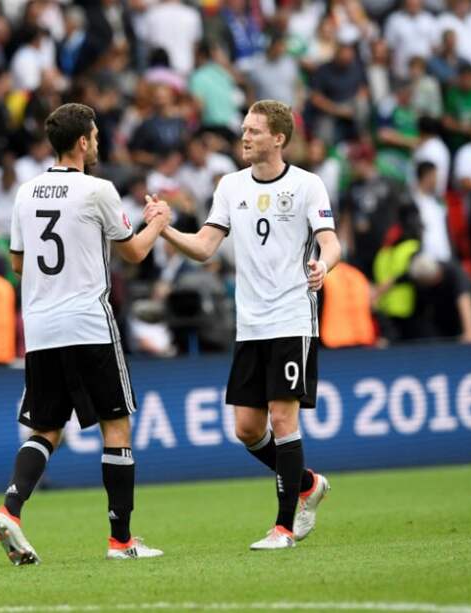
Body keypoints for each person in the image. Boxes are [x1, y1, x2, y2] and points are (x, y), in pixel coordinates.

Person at [0, 102, 171, 564]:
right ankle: (121, 541)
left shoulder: (26, 193)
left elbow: (16, 262)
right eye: (94, 134)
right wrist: (158, 224)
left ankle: (11, 510)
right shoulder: (98, 189)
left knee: (45, 427)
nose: (98, 141)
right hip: (89, 323)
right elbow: (132, 253)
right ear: (83, 142)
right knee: (117, 425)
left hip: (42, 325)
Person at [156, 100, 341, 550]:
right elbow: (204, 247)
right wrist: (164, 229)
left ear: (278, 138)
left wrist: (323, 265)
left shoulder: (306, 185)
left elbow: (331, 241)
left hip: (292, 316)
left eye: (255, 131)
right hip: (251, 322)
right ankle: (307, 483)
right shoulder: (230, 185)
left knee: (282, 418)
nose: (245, 137)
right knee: (247, 430)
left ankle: (283, 528)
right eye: (244, 129)